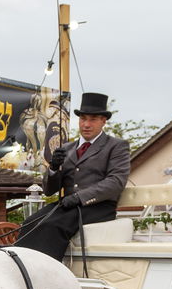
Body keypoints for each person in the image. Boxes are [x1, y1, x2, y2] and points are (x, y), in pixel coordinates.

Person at [14, 92, 131, 261]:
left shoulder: (116, 146)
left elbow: (116, 182)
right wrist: (53, 168)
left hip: (97, 206)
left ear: (103, 121)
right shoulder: (67, 148)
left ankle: (48, 270)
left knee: (53, 225)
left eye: (92, 120)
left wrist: (79, 197)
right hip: (67, 206)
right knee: (31, 222)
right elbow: (49, 191)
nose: (86, 124)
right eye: (83, 119)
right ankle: (22, 264)